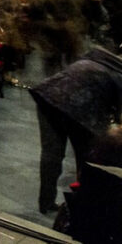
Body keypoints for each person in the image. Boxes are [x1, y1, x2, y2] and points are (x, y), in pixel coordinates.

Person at [30, 46, 122, 214]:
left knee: (52, 154)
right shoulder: (118, 74)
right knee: (88, 160)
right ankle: (81, 207)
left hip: (49, 97)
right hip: (79, 111)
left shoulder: (97, 58)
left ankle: (46, 202)